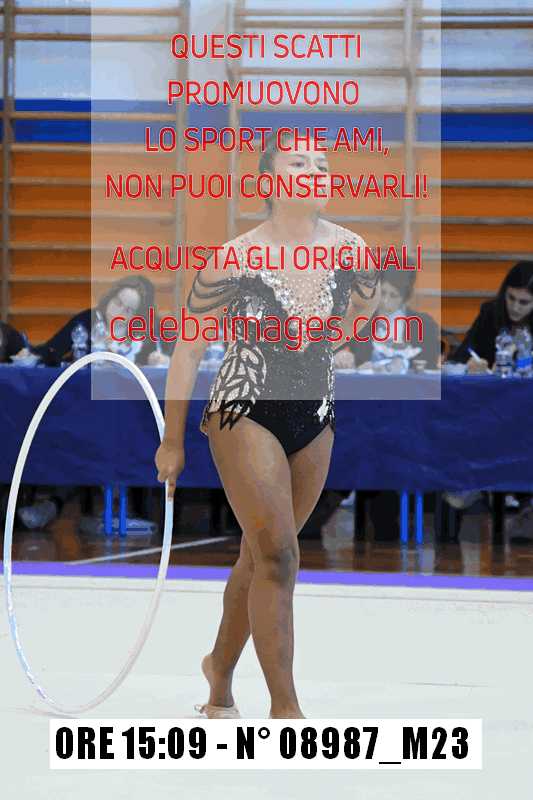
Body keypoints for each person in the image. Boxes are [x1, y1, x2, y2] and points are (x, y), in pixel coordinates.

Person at [155, 131, 381, 719]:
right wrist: (172, 440)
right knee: (279, 556)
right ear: (269, 181)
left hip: (314, 413)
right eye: (299, 161)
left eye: (322, 163)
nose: (315, 170)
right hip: (243, 408)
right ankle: (287, 709)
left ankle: (218, 672)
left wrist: (333, 342)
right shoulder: (235, 258)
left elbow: (366, 308)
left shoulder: (353, 250)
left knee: (261, 557)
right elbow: (188, 348)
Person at [12, 275, 172, 367]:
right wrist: (32, 354)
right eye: (117, 302)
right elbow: (52, 348)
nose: (119, 312)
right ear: (110, 297)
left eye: (128, 310)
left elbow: (178, 359)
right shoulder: (87, 320)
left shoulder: (150, 331)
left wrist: (166, 361)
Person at [334, 264, 440, 372]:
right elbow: (333, 349)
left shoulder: (425, 325)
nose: (385, 301)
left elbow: (430, 364)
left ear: (405, 297)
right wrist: (341, 355)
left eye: (393, 295)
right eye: (383, 293)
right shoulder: (359, 319)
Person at [449, 260, 533, 373]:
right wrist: (467, 365)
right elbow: (462, 354)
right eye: (511, 298)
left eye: (524, 302)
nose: (515, 308)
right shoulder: (490, 312)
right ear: (504, 292)